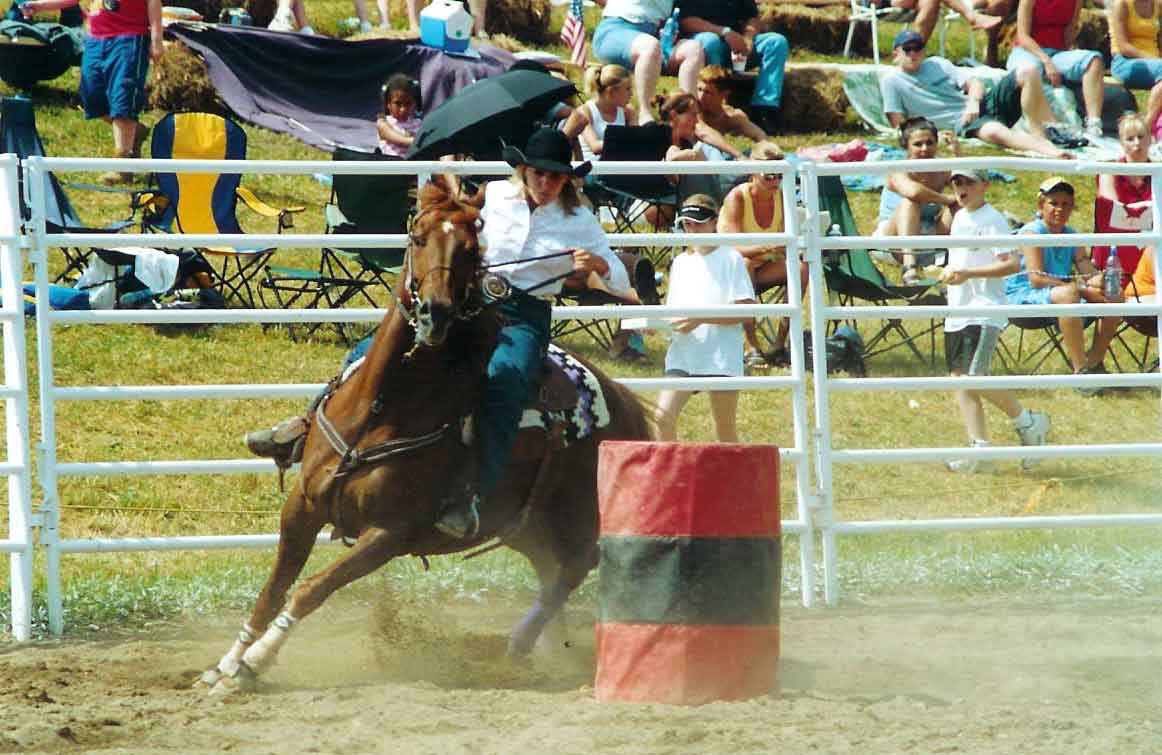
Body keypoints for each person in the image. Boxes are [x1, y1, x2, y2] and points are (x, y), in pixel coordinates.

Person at [246, 128, 629, 539]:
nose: (547, 183)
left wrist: (600, 267)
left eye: (556, 177)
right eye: (539, 173)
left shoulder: (580, 220)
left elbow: (620, 273)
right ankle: (305, 427)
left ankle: (471, 496)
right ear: (523, 170)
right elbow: (459, 230)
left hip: (522, 317)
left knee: (506, 381)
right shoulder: (495, 196)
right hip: (470, 304)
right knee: (370, 351)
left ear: (567, 179)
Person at [939, 167, 1050, 473]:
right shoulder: (959, 218)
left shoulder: (993, 219)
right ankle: (981, 452)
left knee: (975, 376)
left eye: (969, 182)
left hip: (984, 308)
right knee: (961, 380)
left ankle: (1029, 422)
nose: (962, 187)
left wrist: (968, 275)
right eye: (957, 182)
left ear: (985, 185)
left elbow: (1012, 263)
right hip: (958, 308)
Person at [22, 0, 164, 185]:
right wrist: (40, 5)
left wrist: (156, 39)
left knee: (123, 97)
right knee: (92, 97)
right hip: (96, 40)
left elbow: (153, 2)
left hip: (129, 37)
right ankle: (135, 131)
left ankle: (122, 164)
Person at [1004, 176, 1123, 393]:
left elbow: (1086, 270)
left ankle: (1094, 363)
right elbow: (1036, 279)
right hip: (1025, 297)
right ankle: (1080, 374)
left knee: (1115, 295)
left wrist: (1104, 280)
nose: (1060, 209)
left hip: (1062, 293)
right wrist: (1084, 290)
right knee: (1069, 295)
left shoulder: (1071, 235)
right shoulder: (1032, 232)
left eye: (1066, 204)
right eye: (1054, 203)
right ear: (1041, 205)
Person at [654, 194, 756, 442]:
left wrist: (700, 318)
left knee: (725, 429)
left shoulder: (731, 258)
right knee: (661, 418)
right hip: (683, 353)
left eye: (698, 222)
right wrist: (655, 325)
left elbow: (746, 311)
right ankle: (674, 475)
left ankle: (732, 480)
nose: (692, 228)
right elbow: (674, 312)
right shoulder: (679, 262)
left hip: (720, 356)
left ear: (714, 221)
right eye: (687, 223)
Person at [880, 30, 1073, 160]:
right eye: (907, 49)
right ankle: (1051, 151)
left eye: (918, 48)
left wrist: (973, 102)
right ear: (896, 53)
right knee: (994, 131)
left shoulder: (938, 63)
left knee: (1029, 70)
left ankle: (1042, 134)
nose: (913, 53)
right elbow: (899, 123)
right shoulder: (892, 81)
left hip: (983, 104)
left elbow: (975, 84)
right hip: (964, 123)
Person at [717, 141, 806, 367]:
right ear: (752, 170)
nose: (775, 178)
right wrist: (769, 246)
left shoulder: (783, 196)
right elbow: (732, 246)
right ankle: (751, 345)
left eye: (779, 172)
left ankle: (780, 344)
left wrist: (784, 245)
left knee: (801, 269)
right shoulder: (737, 197)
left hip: (764, 265)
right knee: (745, 263)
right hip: (731, 269)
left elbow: (789, 238)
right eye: (769, 172)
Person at [676, 0, 790, 133]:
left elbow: (752, 17)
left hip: (737, 45)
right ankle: (715, 107)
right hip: (706, 42)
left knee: (776, 42)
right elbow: (686, 21)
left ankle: (764, 109)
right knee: (710, 41)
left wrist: (748, 37)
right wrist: (725, 32)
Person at [592, 0, 706, 124]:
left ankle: (690, 114)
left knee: (693, 50)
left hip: (656, 37)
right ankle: (645, 114)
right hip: (615, 30)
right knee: (649, 46)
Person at [875, 117, 958, 284]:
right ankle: (909, 268)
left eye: (930, 142)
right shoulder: (898, 169)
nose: (925, 148)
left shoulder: (941, 168)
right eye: (918, 144)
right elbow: (913, 192)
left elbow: (968, 183)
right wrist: (946, 199)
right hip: (892, 242)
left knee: (958, 204)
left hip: (928, 237)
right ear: (906, 145)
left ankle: (943, 261)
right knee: (909, 202)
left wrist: (957, 152)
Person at [1008, 0, 1105, 138]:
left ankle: (1094, 125)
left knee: (1094, 59)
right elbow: (1023, 36)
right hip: (1027, 51)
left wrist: (1068, 59)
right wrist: (1046, 61)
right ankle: (1046, 127)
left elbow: (1070, 31)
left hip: (1057, 53)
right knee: (1031, 71)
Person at [1095, 112, 1154, 286]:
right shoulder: (1109, 171)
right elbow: (1113, 212)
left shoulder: (1158, 172)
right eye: (1130, 139)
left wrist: (1135, 213)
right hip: (1116, 244)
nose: (1137, 143)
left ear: (1150, 139)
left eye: (1141, 137)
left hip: (1149, 246)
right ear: (1121, 143)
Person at [562, 64, 637, 163]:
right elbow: (595, 146)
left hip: (619, 169)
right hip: (593, 171)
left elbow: (637, 140)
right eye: (627, 89)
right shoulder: (585, 111)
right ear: (612, 91)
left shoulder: (628, 111)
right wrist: (628, 142)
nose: (631, 94)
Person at [696, 66, 767, 141]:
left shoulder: (732, 116)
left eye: (708, 93)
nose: (701, 97)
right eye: (699, 89)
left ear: (724, 94)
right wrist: (736, 153)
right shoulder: (692, 112)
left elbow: (760, 135)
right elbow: (705, 134)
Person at [376, 74, 423, 158]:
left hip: (416, 165)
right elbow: (401, 140)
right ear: (388, 104)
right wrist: (420, 141)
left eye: (408, 104)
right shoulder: (383, 123)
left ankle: (448, 169)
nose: (403, 109)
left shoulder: (419, 124)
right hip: (394, 167)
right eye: (398, 103)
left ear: (414, 104)